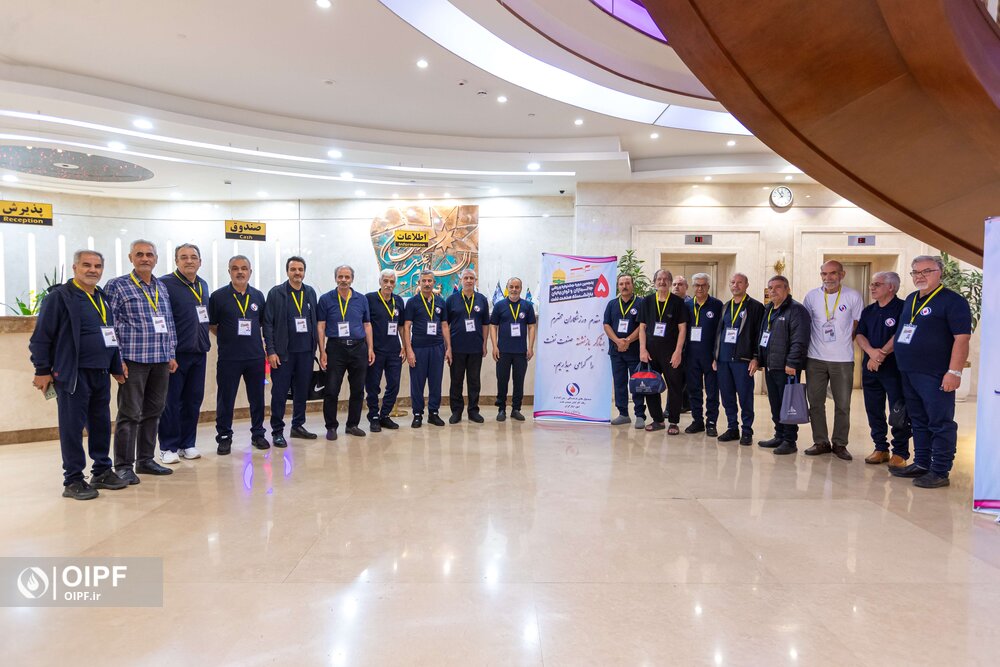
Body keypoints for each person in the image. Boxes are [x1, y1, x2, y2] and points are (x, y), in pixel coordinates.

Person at [29, 250, 128, 500]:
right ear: (75, 268)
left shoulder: (101, 297)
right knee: (72, 428)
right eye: (86, 265)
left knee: (101, 424)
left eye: (97, 266)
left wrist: (116, 366)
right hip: (72, 375)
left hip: (100, 373)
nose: (92, 270)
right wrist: (42, 370)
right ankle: (73, 479)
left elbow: (110, 334)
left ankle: (102, 471)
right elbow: (41, 337)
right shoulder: (60, 297)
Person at [890, 256, 972, 488]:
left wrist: (954, 372)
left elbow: (962, 339)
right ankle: (922, 463)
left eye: (927, 271)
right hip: (908, 371)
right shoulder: (911, 299)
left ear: (940, 272)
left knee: (940, 422)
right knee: (918, 420)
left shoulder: (953, 301)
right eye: (915, 272)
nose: (920, 276)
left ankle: (940, 470)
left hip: (935, 374)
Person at [105, 239, 177, 483]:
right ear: (131, 258)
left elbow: (168, 322)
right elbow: (110, 325)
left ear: (156, 258)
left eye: (149, 254)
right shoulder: (117, 285)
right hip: (133, 360)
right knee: (130, 413)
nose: (145, 258)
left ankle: (145, 460)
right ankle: (123, 466)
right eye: (139, 254)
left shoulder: (161, 287)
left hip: (160, 360)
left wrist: (171, 353)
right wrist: (116, 360)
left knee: (154, 411)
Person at [802, 260, 864, 460]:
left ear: (842, 275)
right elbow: (805, 324)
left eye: (833, 273)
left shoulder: (853, 296)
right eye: (824, 274)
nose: (828, 278)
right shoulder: (811, 296)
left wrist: (842, 343)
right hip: (815, 358)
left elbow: (857, 325)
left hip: (842, 359)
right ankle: (820, 441)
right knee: (815, 403)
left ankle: (840, 443)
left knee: (843, 404)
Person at [208, 255, 268, 454]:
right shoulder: (218, 297)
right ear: (229, 272)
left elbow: (260, 323)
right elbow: (212, 325)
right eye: (235, 268)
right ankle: (224, 436)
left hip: (255, 357)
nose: (240, 272)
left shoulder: (258, 296)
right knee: (226, 399)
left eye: (244, 268)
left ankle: (258, 434)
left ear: (250, 272)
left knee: (257, 398)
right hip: (229, 358)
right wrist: (228, 337)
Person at [157, 243, 210, 464]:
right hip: (176, 354)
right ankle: (168, 446)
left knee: (193, 400)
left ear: (200, 261)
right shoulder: (165, 284)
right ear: (176, 261)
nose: (189, 261)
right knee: (171, 402)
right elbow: (161, 319)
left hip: (199, 352)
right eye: (184, 257)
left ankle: (187, 443)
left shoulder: (203, 284)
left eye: (193, 257)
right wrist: (169, 353)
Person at [855, 272, 910, 467]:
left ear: (891, 287)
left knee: (898, 410)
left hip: (894, 369)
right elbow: (860, 334)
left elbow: (901, 333)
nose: (872, 287)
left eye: (877, 284)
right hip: (870, 368)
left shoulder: (904, 308)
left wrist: (881, 355)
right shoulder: (869, 310)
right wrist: (872, 353)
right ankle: (880, 448)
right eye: (871, 284)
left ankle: (900, 452)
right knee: (873, 409)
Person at [263, 256, 319, 447]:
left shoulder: (310, 292)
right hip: (283, 355)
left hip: (306, 353)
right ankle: (277, 431)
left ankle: (298, 426)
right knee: (279, 393)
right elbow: (268, 324)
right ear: (287, 271)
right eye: (293, 269)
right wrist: (271, 351)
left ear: (304, 272)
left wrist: (316, 350)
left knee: (302, 392)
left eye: (300, 269)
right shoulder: (276, 293)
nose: (297, 273)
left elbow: (314, 321)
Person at [317, 265, 374, 440]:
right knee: (332, 389)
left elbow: (367, 325)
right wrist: (322, 351)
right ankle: (331, 427)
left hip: (358, 348)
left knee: (357, 390)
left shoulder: (361, 299)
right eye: (340, 276)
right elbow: (321, 326)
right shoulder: (326, 299)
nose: (343, 280)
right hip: (336, 348)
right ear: (335, 278)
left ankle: (352, 425)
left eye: (347, 277)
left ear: (352, 279)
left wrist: (370, 348)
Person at [758, 276, 810, 455]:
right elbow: (763, 336)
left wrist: (792, 362)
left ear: (787, 289)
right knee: (775, 403)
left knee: (789, 404)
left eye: (778, 287)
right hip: (771, 365)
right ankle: (779, 435)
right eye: (770, 287)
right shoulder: (768, 309)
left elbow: (799, 339)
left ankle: (790, 440)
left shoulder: (796, 310)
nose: (773, 291)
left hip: (786, 367)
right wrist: (760, 359)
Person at [713, 273, 764, 446]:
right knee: (727, 397)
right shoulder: (725, 306)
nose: (735, 285)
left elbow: (759, 334)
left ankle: (747, 431)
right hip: (723, 360)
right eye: (732, 282)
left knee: (745, 397)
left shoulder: (755, 307)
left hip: (743, 360)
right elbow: (719, 333)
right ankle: (732, 428)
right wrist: (715, 356)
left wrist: (756, 358)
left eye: (739, 282)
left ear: (747, 285)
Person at [638, 269, 689, 434]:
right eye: (659, 279)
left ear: (670, 282)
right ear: (654, 282)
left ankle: (673, 421)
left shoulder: (678, 302)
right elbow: (642, 327)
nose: (662, 282)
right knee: (650, 386)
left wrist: (678, 351)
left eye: (666, 279)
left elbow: (682, 329)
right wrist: (642, 350)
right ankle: (658, 420)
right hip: (650, 352)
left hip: (670, 352)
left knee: (675, 386)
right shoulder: (647, 301)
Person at [403, 270, 450, 428]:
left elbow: (444, 325)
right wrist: (409, 350)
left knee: (436, 382)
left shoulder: (440, 302)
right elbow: (407, 327)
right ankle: (417, 414)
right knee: (417, 383)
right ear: (419, 283)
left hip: (437, 347)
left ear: (434, 283)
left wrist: (448, 347)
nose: (427, 284)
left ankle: (433, 413)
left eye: (430, 281)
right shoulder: (412, 302)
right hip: (419, 348)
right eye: (424, 281)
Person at [445, 268, 490, 423]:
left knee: (474, 381)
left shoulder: (482, 299)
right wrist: (448, 347)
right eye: (466, 278)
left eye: (472, 278)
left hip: (476, 347)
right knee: (456, 381)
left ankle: (473, 411)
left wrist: (484, 344)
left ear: (475, 281)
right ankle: (456, 411)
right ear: (461, 280)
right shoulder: (451, 300)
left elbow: (485, 324)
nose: (469, 281)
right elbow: (445, 326)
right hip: (456, 348)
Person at [489, 277, 536, 421]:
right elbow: (493, 326)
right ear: (507, 288)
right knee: (502, 381)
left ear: (521, 288)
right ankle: (501, 409)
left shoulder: (527, 306)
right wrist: (494, 346)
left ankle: (516, 409)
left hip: (521, 352)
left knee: (519, 381)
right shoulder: (499, 305)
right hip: (503, 351)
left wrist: (530, 347)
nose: (514, 289)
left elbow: (531, 327)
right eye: (511, 287)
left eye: (517, 287)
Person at [365, 269, 405, 432]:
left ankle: (385, 415)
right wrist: (369, 348)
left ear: (395, 284)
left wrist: (405, 346)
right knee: (373, 385)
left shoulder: (399, 301)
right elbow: (365, 324)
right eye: (385, 281)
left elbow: (401, 326)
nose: (388, 284)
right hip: (375, 351)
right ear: (380, 282)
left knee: (394, 384)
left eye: (392, 282)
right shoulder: (370, 299)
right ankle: (374, 416)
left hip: (394, 350)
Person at [603, 275, 646, 428]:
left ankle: (640, 415)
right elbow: (606, 325)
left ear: (632, 285)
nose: (624, 286)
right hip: (616, 352)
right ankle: (623, 414)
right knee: (619, 383)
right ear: (618, 286)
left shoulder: (641, 303)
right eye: (621, 284)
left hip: (634, 351)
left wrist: (627, 341)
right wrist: (617, 341)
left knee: (637, 383)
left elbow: (642, 325)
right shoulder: (612, 304)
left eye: (627, 283)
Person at [684, 273, 723, 436]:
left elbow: (721, 332)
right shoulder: (686, 305)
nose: (700, 288)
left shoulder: (717, 305)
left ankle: (711, 422)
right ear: (692, 287)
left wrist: (717, 356)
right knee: (694, 390)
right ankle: (697, 421)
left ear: (708, 287)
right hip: (691, 355)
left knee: (712, 391)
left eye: (703, 285)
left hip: (710, 356)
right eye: (697, 285)